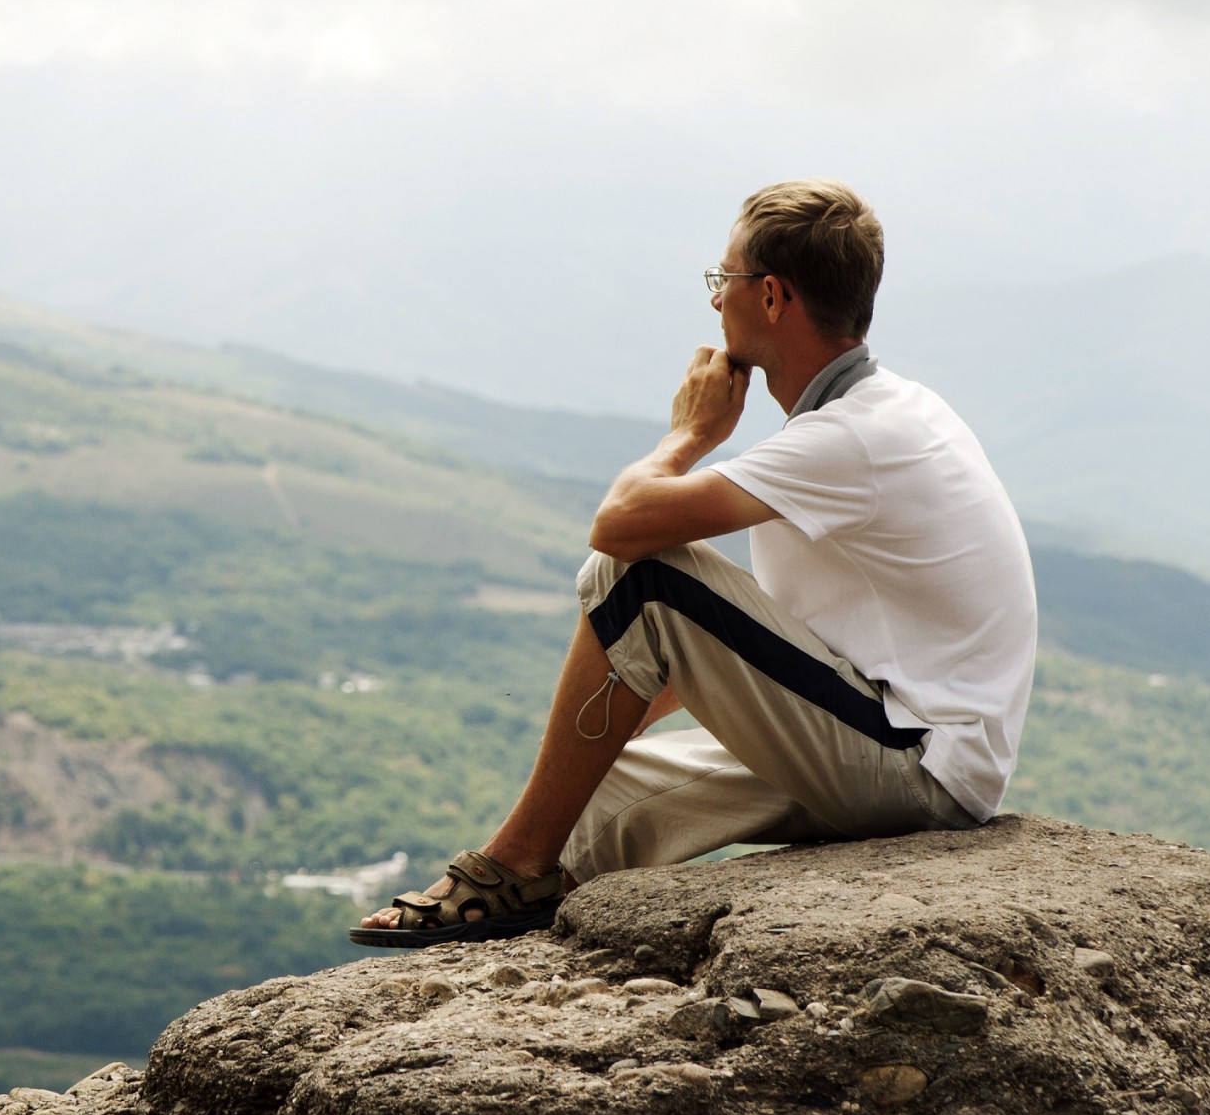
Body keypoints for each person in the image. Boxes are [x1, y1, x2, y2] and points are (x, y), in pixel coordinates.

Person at [351, 179, 1036, 946]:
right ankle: (523, 902)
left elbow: (619, 528)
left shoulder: (851, 438)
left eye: (725, 281)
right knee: (594, 799)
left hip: (914, 763)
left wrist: (691, 435)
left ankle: (509, 866)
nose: (716, 303)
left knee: (638, 575)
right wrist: (614, 708)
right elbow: (742, 652)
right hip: (892, 737)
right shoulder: (886, 412)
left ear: (771, 296)